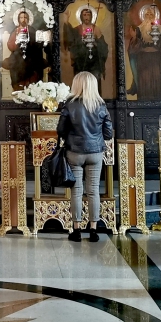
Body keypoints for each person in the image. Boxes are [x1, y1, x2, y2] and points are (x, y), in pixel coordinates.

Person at [56, 71, 114, 242]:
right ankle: (94, 231)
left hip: (74, 152)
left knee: (76, 191)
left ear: (76, 85)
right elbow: (108, 133)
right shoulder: (100, 105)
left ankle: (76, 231)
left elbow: (61, 130)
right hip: (95, 153)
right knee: (93, 191)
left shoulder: (69, 104)